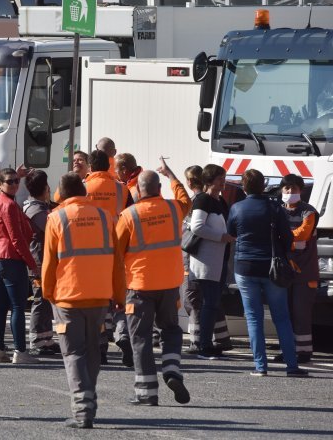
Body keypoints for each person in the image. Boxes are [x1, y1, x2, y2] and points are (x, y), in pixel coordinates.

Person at [42, 172, 125, 429]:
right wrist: (118, 294)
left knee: (73, 352)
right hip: (99, 297)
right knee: (92, 350)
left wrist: (48, 293)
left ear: (62, 193)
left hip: (68, 297)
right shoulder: (104, 217)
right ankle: (89, 400)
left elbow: (49, 263)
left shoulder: (56, 217)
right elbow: (117, 261)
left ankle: (82, 410)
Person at [115, 160, 192, 406]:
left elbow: (116, 253)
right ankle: (171, 369)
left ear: (138, 190)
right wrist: (171, 175)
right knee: (170, 330)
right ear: (159, 189)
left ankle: (147, 392)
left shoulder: (129, 215)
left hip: (139, 286)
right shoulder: (173, 209)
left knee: (141, 338)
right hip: (170, 284)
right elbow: (186, 200)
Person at [227, 169, 308, 377]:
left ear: (244, 187)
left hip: (244, 266)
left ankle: (260, 367)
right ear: (263, 186)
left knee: (254, 318)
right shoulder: (274, 208)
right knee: (281, 317)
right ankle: (292, 366)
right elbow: (288, 238)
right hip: (272, 267)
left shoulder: (236, 208)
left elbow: (232, 233)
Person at [85, 149, 133, 366]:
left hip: (92, 251)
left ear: (90, 167)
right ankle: (123, 334)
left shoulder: (84, 187)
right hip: (117, 247)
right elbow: (131, 215)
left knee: (99, 300)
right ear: (109, 166)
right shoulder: (121, 189)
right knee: (118, 296)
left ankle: (101, 345)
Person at [0, 168, 38, 365]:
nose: (15, 184)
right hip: (8, 259)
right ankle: (20, 351)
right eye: (10, 181)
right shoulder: (7, 205)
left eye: (17, 181)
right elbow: (16, 239)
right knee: (17, 306)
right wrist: (32, 264)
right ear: (0, 184)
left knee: (0, 306)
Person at [186, 164, 237, 360]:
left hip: (218, 260)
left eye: (223, 178)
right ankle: (204, 345)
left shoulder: (220, 200)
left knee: (213, 304)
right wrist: (221, 237)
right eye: (219, 179)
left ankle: (207, 343)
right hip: (206, 261)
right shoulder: (203, 200)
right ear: (208, 181)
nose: (223, 182)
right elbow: (197, 227)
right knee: (209, 304)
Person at [278, 174, 319, 364]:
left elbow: (303, 233)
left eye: (293, 189)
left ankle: (303, 352)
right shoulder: (277, 210)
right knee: (284, 312)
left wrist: (283, 237)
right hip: (284, 271)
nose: (289, 192)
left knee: (301, 312)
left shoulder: (308, 212)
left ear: (301, 191)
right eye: (286, 189)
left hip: (305, 272)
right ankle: (287, 350)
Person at [22, 169, 59, 356]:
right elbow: (53, 230)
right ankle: (38, 340)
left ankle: (46, 338)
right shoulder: (37, 210)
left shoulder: (34, 206)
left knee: (44, 301)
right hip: (38, 262)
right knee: (40, 300)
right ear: (45, 188)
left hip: (40, 260)